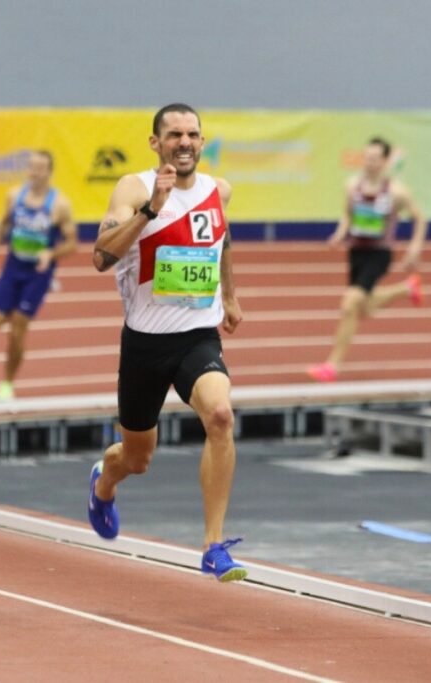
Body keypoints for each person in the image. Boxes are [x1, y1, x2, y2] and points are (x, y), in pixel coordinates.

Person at [88, 103, 247, 582]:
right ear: (155, 143)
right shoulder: (134, 188)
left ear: (202, 141)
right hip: (145, 344)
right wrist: (150, 210)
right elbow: (100, 257)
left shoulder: (218, 190)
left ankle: (213, 546)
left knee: (220, 415)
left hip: (197, 335)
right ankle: (103, 483)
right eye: (174, 134)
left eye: (192, 134)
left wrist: (231, 295)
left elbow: (222, 240)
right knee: (136, 459)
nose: (184, 142)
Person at [307, 137, 428, 382]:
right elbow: (347, 215)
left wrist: (414, 248)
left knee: (350, 304)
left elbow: (420, 218)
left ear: (384, 162)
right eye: (367, 157)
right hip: (356, 254)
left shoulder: (396, 192)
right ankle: (407, 288)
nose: (370, 163)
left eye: (375, 159)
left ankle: (332, 365)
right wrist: (339, 234)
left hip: (379, 254)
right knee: (366, 306)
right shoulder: (352, 186)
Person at [0, 150, 77, 401]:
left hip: (38, 274)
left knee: (18, 328)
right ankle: (17, 312)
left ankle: (7, 384)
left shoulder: (59, 204)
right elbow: (3, 223)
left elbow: (72, 243)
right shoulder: (14, 196)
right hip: (13, 267)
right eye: (31, 167)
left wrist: (51, 254)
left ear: (49, 172)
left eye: (39, 168)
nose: (33, 172)